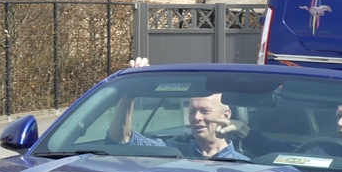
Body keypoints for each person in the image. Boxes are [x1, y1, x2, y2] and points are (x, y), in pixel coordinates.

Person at [106, 57, 248, 160]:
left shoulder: (244, 166)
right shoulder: (173, 152)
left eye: (205, 111)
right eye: (192, 111)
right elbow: (121, 140)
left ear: (226, 115)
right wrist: (129, 94)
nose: (197, 118)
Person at [217, 103, 342, 161]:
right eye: (338, 117)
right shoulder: (323, 153)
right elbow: (279, 152)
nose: (340, 123)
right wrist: (244, 131)